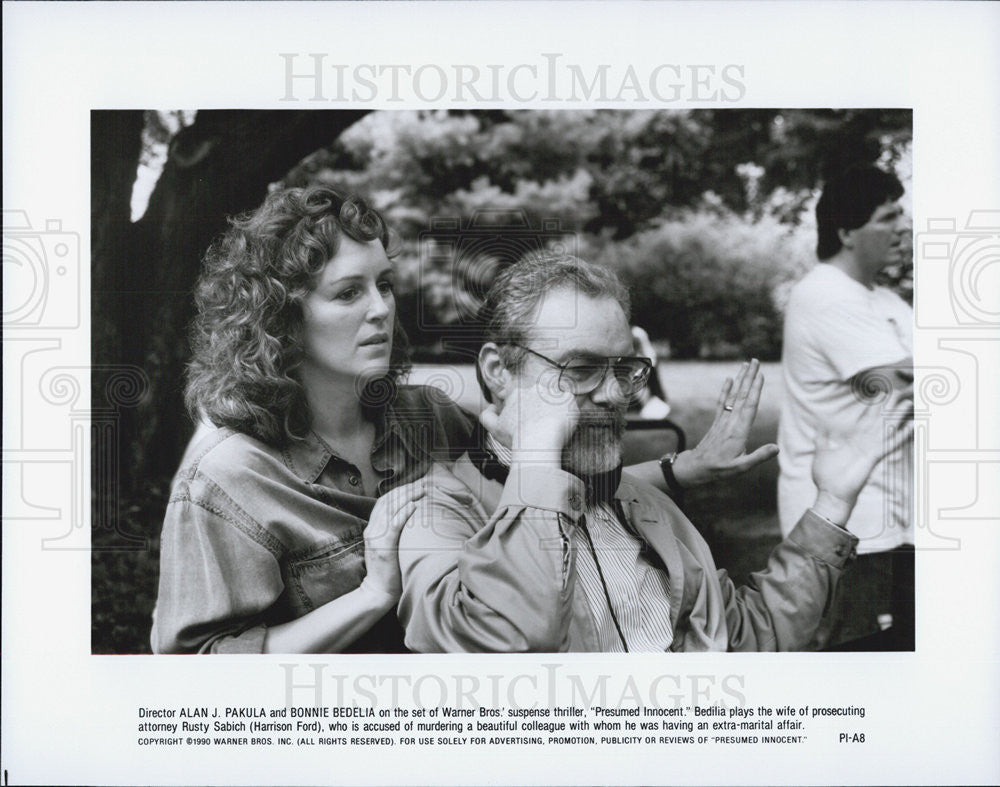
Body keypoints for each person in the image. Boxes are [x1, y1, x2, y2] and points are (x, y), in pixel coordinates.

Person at [382, 255, 909, 652]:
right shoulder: (437, 515)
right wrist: (537, 460)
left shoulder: (640, 505)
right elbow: (510, 651)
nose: (615, 395)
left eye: (624, 369)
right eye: (581, 369)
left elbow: (751, 640)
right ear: (498, 371)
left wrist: (832, 504)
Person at [151, 186, 476, 654]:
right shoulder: (227, 478)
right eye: (348, 293)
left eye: (384, 284)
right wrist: (371, 595)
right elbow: (198, 670)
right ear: (281, 319)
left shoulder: (431, 419)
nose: (381, 309)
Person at [778, 164, 914, 650]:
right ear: (846, 232)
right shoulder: (826, 295)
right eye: (888, 216)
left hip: (889, 521)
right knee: (856, 668)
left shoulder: (884, 299)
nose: (904, 226)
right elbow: (915, 386)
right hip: (851, 529)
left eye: (902, 213)